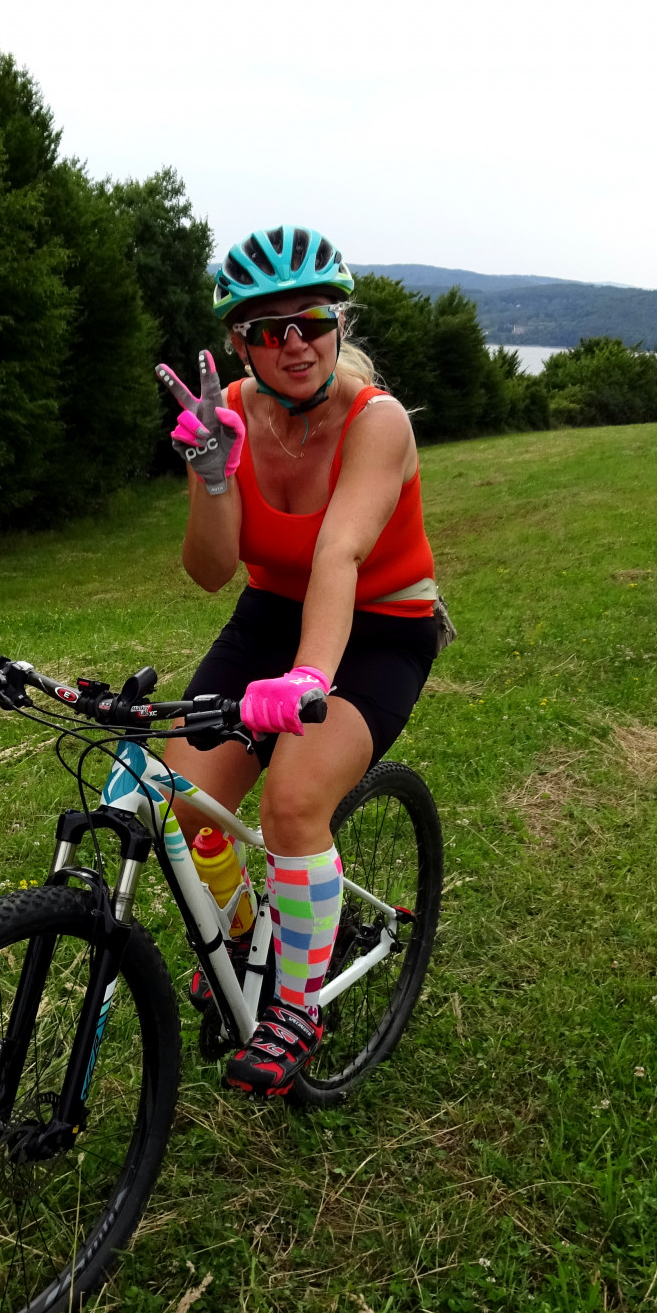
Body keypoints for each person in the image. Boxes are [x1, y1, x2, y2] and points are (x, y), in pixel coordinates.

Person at [154, 224, 443, 1099]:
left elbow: (339, 556)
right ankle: (249, 940)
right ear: (239, 340)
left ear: (338, 326)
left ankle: (295, 1003)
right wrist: (212, 478)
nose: (295, 343)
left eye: (313, 322)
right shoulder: (226, 414)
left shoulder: (376, 422)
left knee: (291, 801)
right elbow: (211, 572)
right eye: (269, 329)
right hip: (270, 615)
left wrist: (311, 680)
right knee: (184, 803)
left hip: (381, 626)